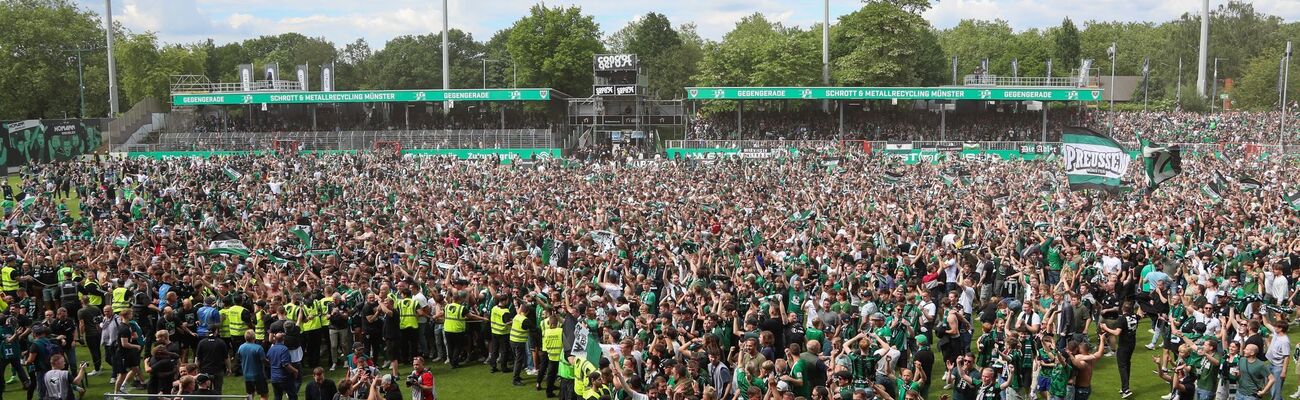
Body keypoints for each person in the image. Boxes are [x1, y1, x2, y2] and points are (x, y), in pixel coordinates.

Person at [238, 330, 270, 400]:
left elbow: (240, 358)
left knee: (249, 395)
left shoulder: (241, 347)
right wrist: (270, 362)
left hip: (247, 375)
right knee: (264, 395)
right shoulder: (258, 348)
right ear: (254, 337)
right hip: (258, 376)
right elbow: (264, 360)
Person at [269, 332, 300, 400]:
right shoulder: (284, 349)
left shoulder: (271, 349)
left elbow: (268, 361)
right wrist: (295, 371)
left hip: (274, 378)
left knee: (277, 397)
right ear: (283, 339)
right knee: (292, 396)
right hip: (284, 378)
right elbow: (285, 364)